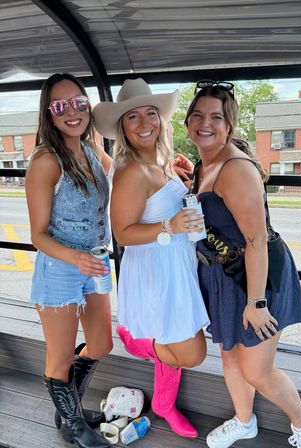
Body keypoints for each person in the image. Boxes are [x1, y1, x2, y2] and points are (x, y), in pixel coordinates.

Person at [184, 80, 301, 448]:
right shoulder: (204, 163)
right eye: (197, 115)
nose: (205, 123)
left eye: (215, 116)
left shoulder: (235, 168)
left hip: (257, 277)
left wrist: (257, 302)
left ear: (229, 124)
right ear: (187, 122)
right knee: (230, 356)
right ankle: (244, 421)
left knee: (257, 370)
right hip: (221, 276)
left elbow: (256, 240)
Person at [93, 78, 210, 438]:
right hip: (155, 270)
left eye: (151, 113)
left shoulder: (160, 159)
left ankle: (163, 404)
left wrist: (187, 185)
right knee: (191, 353)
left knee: (178, 340)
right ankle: (132, 336)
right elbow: (124, 232)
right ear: (122, 127)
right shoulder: (130, 170)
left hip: (176, 263)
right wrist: (170, 225)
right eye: (133, 117)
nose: (145, 123)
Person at [25, 73, 113, 448]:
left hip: (94, 261)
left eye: (79, 102)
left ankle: (69, 408)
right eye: (61, 106)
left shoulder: (91, 144)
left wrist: (163, 169)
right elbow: (38, 236)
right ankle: (74, 426)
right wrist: (75, 257)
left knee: (102, 343)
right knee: (59, 358)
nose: (73, 112)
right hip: (61, 268)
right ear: (50, 112)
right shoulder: (46, 161)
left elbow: (120, 171)